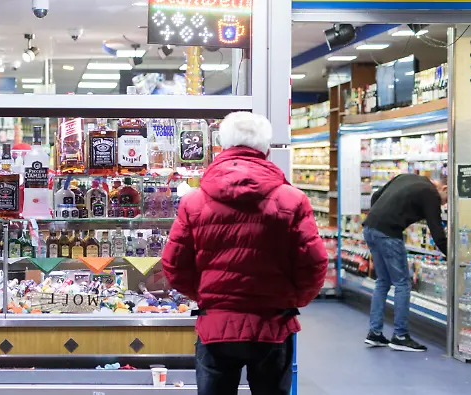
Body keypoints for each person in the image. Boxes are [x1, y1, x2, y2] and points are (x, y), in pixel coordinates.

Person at [161, 112, 328, 395]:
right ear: (266, 149)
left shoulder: (194, 201)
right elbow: (314, 263)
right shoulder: (292, 200)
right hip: (273, 324)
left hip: (215, 325)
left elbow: (174, 265)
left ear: (222, 148)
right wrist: (291, 300)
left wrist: (206, 295)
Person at [363, 173, 448, 352]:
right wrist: (452, 256)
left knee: (383, 281)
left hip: (370, 227)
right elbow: (437, 231)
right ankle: (400, 336)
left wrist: (381, 217)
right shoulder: (431, 194)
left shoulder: (408, 177)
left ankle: (375, 332)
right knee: (403, 283)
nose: (444, 204)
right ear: (444, 188)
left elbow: (376, 196)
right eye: (446, 200)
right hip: (388, 233)